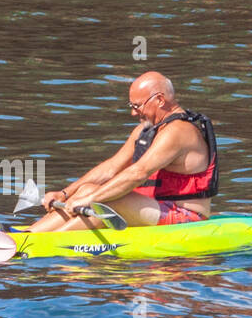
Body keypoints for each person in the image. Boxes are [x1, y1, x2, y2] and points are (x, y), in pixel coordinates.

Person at [30, 72, 218, 232]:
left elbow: (138, 173)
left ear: (160, 100)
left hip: (187, 218)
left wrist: (91, 199)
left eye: (137, 106)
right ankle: (30, 233)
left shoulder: (179, 131)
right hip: (151, 208)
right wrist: (65, 193)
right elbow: (111, 167)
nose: (134, 113)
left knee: (103, 200)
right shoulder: (147, 129)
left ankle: (43, 242)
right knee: (87, 189)